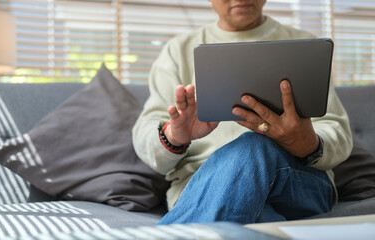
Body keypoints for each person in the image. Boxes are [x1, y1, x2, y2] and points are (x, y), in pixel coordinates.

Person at [132, 0, 353, 224]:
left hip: (298, 184)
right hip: (201, 187)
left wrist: (305, 143)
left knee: (255, 145)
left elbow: (339, 133)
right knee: (259, 219)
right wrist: (174, 136)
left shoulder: (306, 46)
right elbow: (146, 137)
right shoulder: (177, 51)